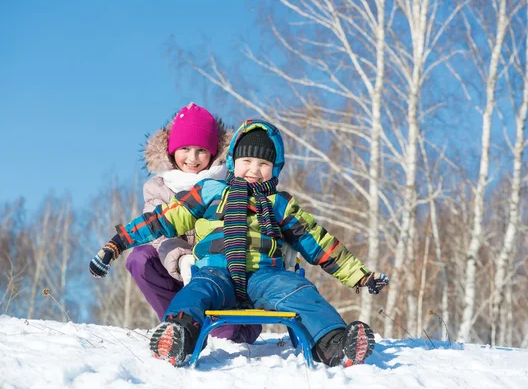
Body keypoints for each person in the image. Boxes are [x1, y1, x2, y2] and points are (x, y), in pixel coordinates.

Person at [90, 119, 389, 368]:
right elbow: (162, 220)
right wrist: (117, 243)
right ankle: (178, 336)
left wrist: (360, 275)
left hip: (266, 276)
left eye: (263, 163)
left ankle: (334, 343)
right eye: (247, 161)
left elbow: (318, 243)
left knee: (301, 292)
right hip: (215, 272)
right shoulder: (210, 191)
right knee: (194, 293)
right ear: (233, 162)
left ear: (275, 168)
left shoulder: (280, 204)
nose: (254, 169)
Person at [103, 102, 261, 344]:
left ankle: (234, 327)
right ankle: (175, 326)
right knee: (140, 257)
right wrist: (182, 260)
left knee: (225, 338)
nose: (193, 158)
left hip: (220, 273)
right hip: (176, 271)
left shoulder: (230, 183)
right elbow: (158, 233)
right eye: (185, 148)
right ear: (171, 150)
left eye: (201, 150)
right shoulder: (158, 187)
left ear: (214, 152)